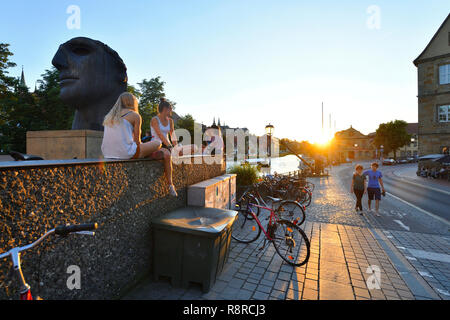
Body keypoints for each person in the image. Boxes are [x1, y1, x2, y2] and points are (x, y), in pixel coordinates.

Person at [150, 98, 196, 197]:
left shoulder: (170, 121)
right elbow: (160, 134)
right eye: (170, 109)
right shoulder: (155, 119)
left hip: (169, 145)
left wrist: (176, 146)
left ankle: (177, 157)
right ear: (165, 109)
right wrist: (170, 147)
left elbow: (172, 135)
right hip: (157, 144)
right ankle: (171, 185)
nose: (171, 111)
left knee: (193, 147)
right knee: (167, 155)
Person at [101, 92, 162, 160]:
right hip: (125, 153)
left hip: (107, 153)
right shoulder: (135, 115)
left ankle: (147, 154)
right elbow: (137, 142)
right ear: (133, 102)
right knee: (158, 142)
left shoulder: (109, 116)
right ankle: (149, 155)